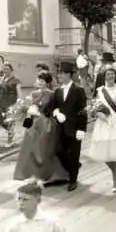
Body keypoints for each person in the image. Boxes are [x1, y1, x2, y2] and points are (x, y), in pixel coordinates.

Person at [13, 72, 68, 184]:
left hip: (46, 123)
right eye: (39, 80)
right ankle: (33, 174)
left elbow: (54, 109)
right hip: (35, 124)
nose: (40, 83)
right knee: (31, 149)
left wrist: (42, 114)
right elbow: (32, 106)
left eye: (42, 81)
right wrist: (28, 112)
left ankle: (46, 174)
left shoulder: (53, 94)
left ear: (47, 82)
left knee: (44, 149)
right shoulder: (34, 93)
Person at [43, 61, 87, 192]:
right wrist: (56, 112)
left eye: (61, 73)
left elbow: (82, 111)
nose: (59, 76)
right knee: (59, 152)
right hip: (60, 129)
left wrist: (81, 129)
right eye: (59, 73)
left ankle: (73, 180)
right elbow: (48, 109)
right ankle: (73, 168)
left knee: (74, 155)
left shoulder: (78, 90)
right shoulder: (58, 91)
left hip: (74, 129)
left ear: (69, 74)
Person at [88, 67, 116, 192]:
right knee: (103, 152)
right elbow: (94, 104)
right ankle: (114, 173)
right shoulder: (99, 90)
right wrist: (95, 111)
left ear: (115, 75)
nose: (110, 76)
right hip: (102, 122)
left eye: (112, 74)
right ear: (104, 76)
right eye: (108, 74)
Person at [4, 179, 69, 232]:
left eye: (25, 199)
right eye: (19, 199)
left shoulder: (51, 221)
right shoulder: (13, 225)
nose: (21, 203)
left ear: (38, 201)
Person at [0, 63, 22, 147]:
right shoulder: (1, 79)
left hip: (11, 103)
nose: (5, 70)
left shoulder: (16, 80)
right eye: (4, 69)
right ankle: (12, 132)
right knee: (0, 121)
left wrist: (19, 101)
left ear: (11, 70)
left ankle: (10, 140)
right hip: (0, 102)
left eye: (7, 69)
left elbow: (19, 92)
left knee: (9, 121)